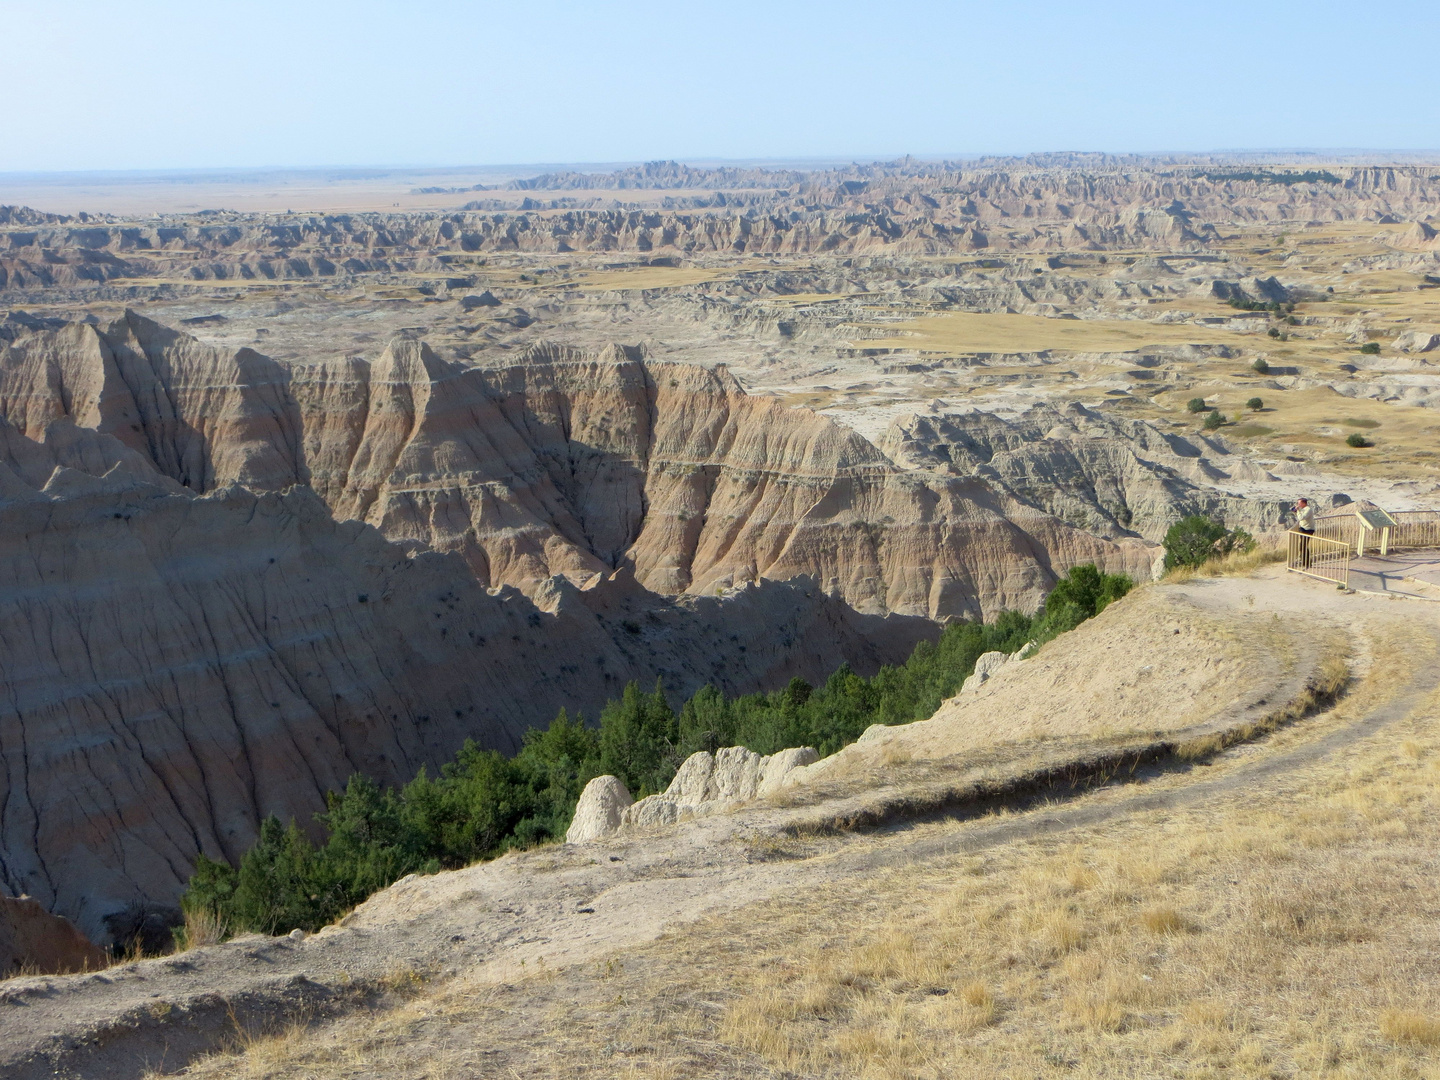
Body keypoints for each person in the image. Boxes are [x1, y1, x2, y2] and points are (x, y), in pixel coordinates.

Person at [1295, 497, 1315, 568]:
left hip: (1308, 529)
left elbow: (1301, 518)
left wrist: (1297, 511)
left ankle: (1307, 563)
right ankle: (1305, 562)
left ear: (1304, 503)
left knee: (1303, 546)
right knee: (1302, 546)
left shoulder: (1308, 509)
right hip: (1303, 528)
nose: (1298, 504)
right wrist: (1297, 511)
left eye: (1299, 503)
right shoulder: (1303, 509)